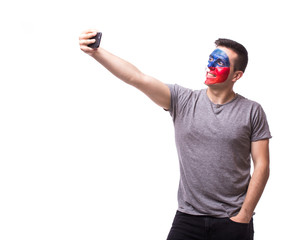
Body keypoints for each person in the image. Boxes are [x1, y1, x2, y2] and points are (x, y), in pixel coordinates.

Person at [79, 29, 272, 240]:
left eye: (219, 62)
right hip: (188, 218)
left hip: (232, 220)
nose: (210, 66)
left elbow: (261, 165)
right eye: (210, 60)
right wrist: (96, 53)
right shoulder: (183, 100)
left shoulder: (252, 111)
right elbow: (137, 78)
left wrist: (244, 214)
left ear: (237, 75)